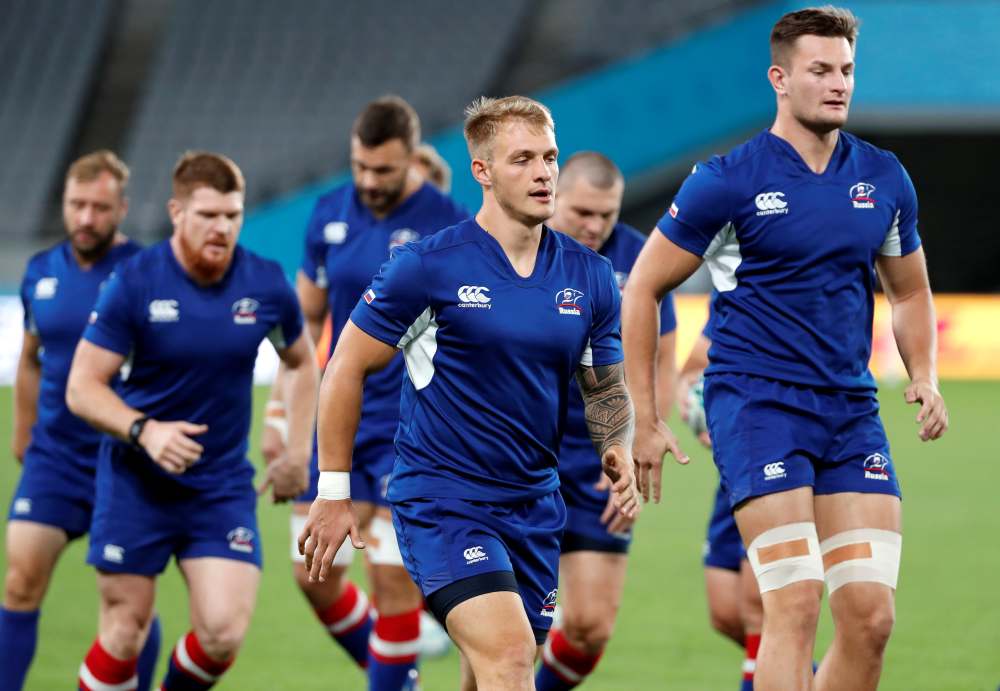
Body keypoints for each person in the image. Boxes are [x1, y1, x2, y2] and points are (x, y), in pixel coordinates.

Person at [623, 7, 948, 690]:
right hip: (757, 407)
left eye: (847, 71)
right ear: (779, 78)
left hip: (850, 410)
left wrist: (924, 372)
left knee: (870, 616)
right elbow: (643, 287)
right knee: (793, 605)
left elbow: (910, 292)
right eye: (820, 70)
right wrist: (644, 416)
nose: (838, 84)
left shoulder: (885, 178)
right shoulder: (727, 179)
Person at [299, 95, 644, 691]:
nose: (543, 173)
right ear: (482, 171)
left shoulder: (589, 276)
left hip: (536, 506)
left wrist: (618, 445)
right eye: (523, 159)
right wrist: (333, 489)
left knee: (492, 671)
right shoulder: (427, 266)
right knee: (510, 659)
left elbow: (606, 385)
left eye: (550, 157)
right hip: (445, 502)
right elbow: (345, 366)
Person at [66, 152, 318, 690]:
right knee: (124, 632)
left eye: (232, 215)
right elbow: (82, 387)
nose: (222, 227)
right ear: (177, 212)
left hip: (220, 486)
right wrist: (145, 430)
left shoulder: (266, 285)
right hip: (137, 482)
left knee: (223, 633)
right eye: (208, 215)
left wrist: (297, 451)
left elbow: (303, 362)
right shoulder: (134, 283)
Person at [262, 95, 468, 689]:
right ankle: (395, 670)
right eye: (361, 167)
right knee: (312, 574)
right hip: (337, 413)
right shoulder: (328, 212)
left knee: (392, 582)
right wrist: (281, 420)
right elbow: (300, 329)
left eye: (385, 170)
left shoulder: (446, 222)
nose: (370, 181)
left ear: (413, 158)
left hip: (408, 426)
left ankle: (392, 671)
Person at [0, 151, 161, 691]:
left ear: (122, 208)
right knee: (20, 581)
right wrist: (23, 430)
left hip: (123, 462)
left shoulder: (146, 272)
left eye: (99, 206)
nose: (86, 217)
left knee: (127, 607)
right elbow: (29, 356)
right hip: (53, 461)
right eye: (77, 205)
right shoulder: (41, 271)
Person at [534, 151, 677, 690]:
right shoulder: (521, 249)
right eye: (582, 212)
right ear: (554, 201)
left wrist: (637, 441)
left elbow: (660, 361)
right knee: (514, 632)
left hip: (600, 463)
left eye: (607, 214)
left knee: (589, 627)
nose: (595, 225)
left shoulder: (641, 261)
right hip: (522, 459)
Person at [677, 302, 763, 691]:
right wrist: (696, 407)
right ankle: (811, 677)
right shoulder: (735, 293)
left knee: (758, 608)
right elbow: (693, 369)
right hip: (732, 472)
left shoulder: (795, 287)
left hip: (776, 461)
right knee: (726, 613)